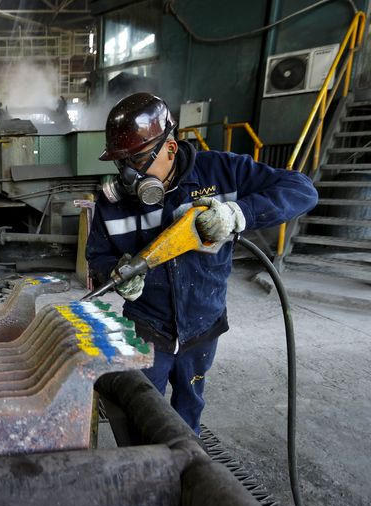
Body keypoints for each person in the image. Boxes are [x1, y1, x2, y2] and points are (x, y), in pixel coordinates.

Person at [86, 92, 318, 434]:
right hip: (147, 327)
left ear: (169, 147)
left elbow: (302, 190)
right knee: (137, 410)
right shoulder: (113, 203)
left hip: (203, 324)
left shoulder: (224, 173)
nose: (128, 175)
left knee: (188, 408)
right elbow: (98, 255)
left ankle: (187, 471)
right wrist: (114, 272)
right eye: (121, 163)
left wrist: (239, 213)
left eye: (136, 160)